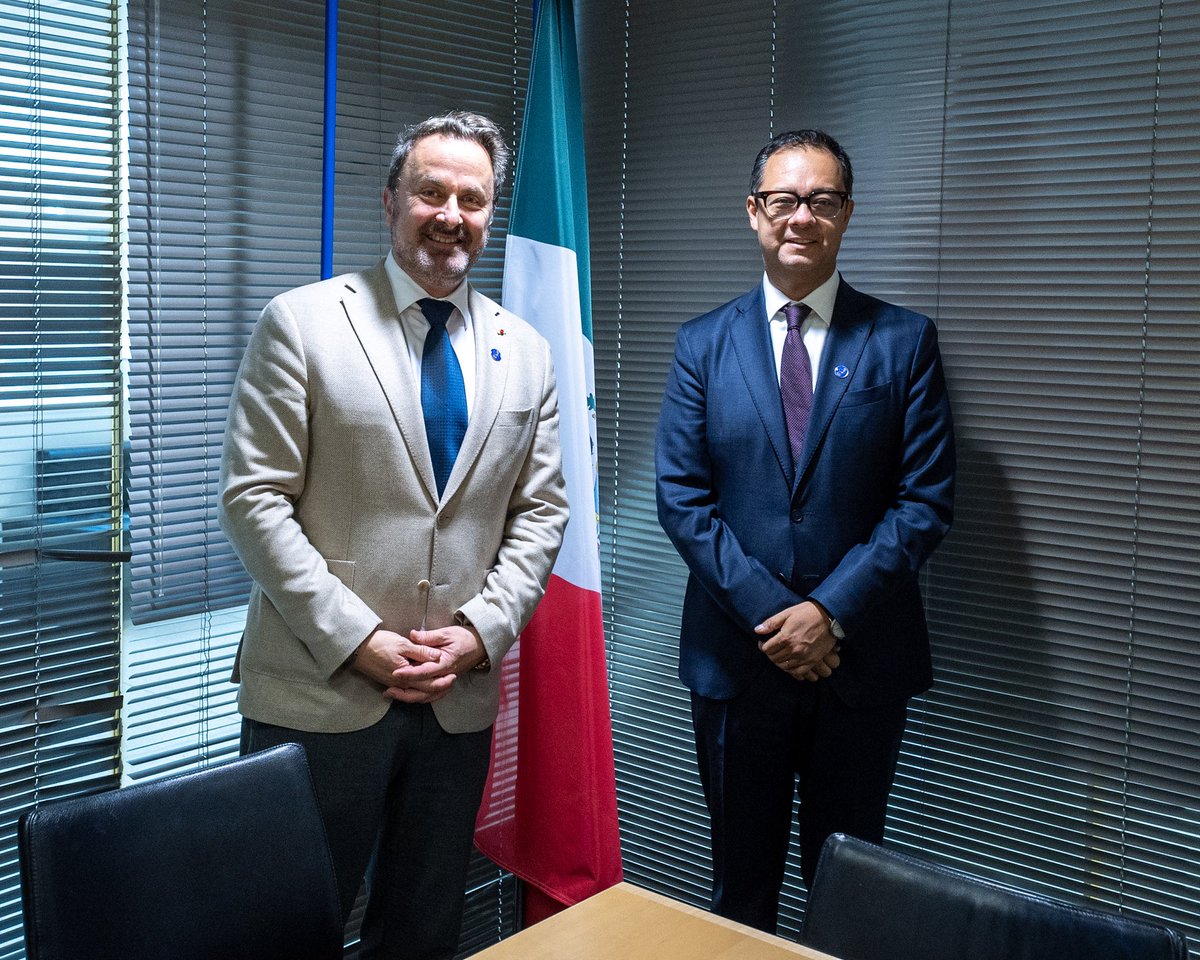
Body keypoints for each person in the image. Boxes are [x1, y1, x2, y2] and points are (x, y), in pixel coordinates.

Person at [218, 111, 568, 960]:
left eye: (473, 198)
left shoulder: (527, 351)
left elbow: (541, 512)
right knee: (290, 924)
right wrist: (356, 638)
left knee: (422, 927)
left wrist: (481, 634)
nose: (452, 213)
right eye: (431, 191)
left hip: (456, 696)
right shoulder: (302, 323)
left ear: (490, 214)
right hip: (317, 690)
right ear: (390, 201)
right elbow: (253, 499)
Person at [655, 129, 956, 933]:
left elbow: (923, 501)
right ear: (754, 211)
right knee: (739, 893)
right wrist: (778, 617)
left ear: (847, 214)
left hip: (859, 666)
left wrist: (829, 614)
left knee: (852, 894)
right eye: (784, 200)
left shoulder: (903, 343)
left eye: (821, 201)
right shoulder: (701, 345)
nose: (802, 217)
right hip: (736, 662)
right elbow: (682, 500)